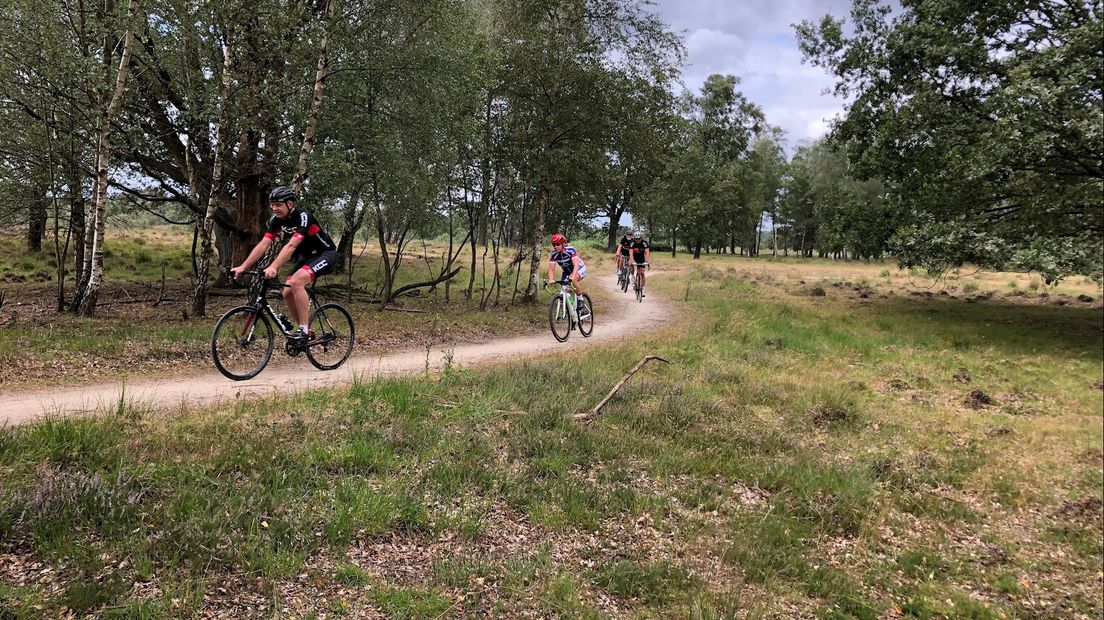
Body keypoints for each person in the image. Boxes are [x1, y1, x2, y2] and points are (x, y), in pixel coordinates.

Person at [230, 186, 337, 342]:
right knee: (286, 292)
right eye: (272, 204)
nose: (274, 208)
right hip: (306, 256)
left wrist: (274, 266)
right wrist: (243, 267)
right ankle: (306, 329)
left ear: (290, 204)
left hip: (325, 254)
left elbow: (291, 246)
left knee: (295, 282)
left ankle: (304, 330)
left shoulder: (303, 217)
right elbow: (264, 244)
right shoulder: (277, 221)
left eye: (278, 205)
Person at [546, 233, 586, 305]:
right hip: (567, 272)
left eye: (557, 244)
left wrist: (573, 276)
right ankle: (571, 309)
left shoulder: (570, 250)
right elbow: (551, 269)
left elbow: (576, 265)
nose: (555, 246)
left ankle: (580, 298)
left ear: (563, 244)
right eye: (553, 245)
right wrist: (551, 279)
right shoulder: (553, 254)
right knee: (563, 290)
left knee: (573, 280)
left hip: (579, 268)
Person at [629, 229, 650, 296]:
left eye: (639, 239)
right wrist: (632, 261)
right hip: (634, 258)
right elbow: (631, 253)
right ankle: (632, 277)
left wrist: (647, 261)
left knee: (642, 273)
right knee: (630, 264)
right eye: (636, 239)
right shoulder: (632, 243)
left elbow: (647, 253)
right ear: (634, 238)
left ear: (641, 238)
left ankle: (643, 288)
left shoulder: (644, 243)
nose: (637, 240)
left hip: (642, 259)